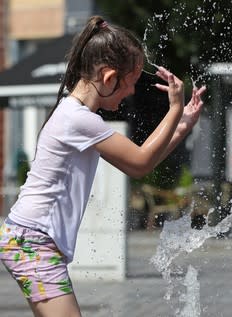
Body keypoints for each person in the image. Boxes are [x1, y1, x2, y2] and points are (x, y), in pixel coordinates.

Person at [0, 16, 206, 317]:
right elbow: (141, 161)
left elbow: (139, 162)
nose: (131, 93)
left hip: (29, 239)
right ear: (109, 78)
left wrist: (183, 122)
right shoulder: (79, 120)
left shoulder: (77, 117)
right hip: (33, 242)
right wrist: (175, 109)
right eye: (130, 84)